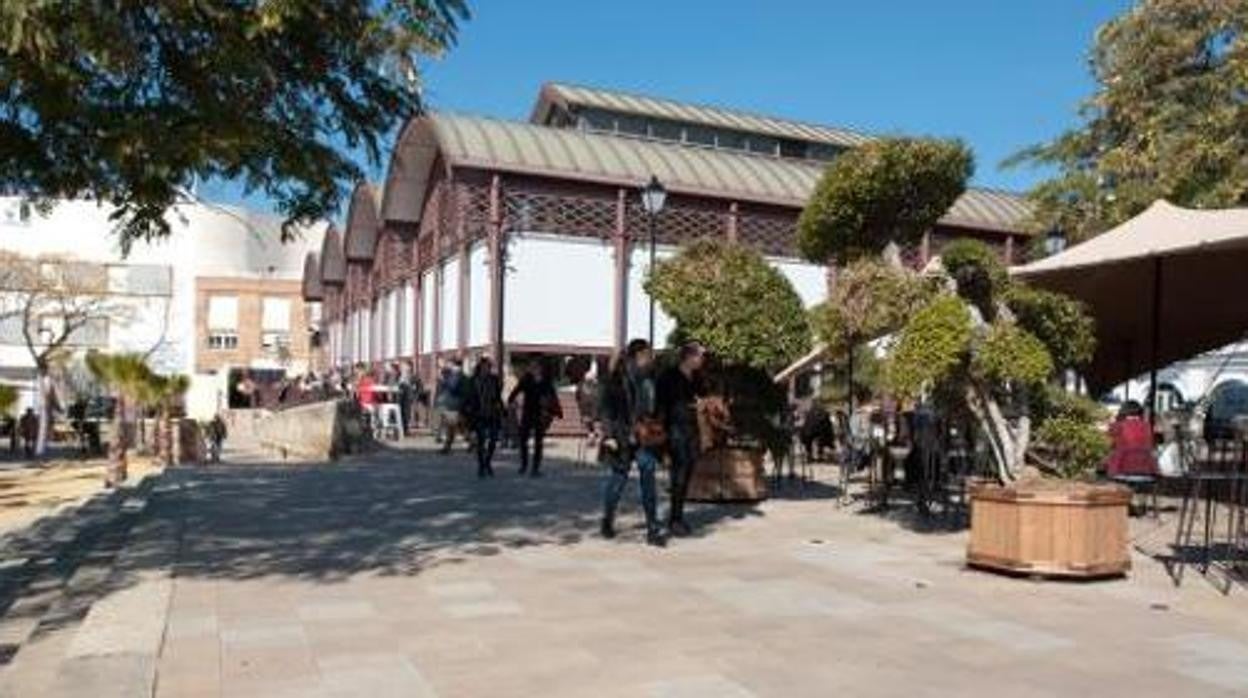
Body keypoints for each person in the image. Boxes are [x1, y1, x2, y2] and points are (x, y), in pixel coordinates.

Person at [599, 339, 665, 546]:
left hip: (644, 436)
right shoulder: (617, 379)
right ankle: (607, 519)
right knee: (618, 481)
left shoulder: (651, 378)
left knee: (648, 478)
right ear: (639, 355)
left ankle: (652, 529)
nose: (651, 358)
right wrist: (609, 435)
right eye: (649, 354)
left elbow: (655, 406)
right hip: (622, 437)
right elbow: (606, 408)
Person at [655, 341, 705, 536]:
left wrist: (701, 404)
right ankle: (675, 519)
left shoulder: (697, 377)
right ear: (689, 357)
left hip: (692, 431)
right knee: (679, 474)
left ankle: (677, 515)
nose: (702, 360)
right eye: (700, 356)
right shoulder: (669, 376)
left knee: (686, 473)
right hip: (674, 430)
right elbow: (661, 404)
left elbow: (702, 397)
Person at [508, 359, 561, 476]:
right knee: (523, 440)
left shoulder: (546, 380)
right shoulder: (526, 379)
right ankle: (524, 464)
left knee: (538, 442)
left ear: (540, 368)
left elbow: (552, 395)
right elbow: (517, 389)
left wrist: (557, 410)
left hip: (540, 413)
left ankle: (535, 468)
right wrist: (511, 400)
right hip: (528, 412)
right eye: (532, 366)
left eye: (536, 366)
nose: (534, 369)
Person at [465, 357, 504, 478]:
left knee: (493, 440)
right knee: (481, 441)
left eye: (488, 367)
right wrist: (467, 411)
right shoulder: (473, 380)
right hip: (478, 414)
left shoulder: (494, 379)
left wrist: (502, 409)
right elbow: (469, 397)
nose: (487, 369)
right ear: (480, 367)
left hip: (492, 413)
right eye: (484, 366)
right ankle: (482, 466)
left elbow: (498, 396)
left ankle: (487, 462)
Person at [435, 359, 467, 454]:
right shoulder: (458, 375)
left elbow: (453, 387)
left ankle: (447, 447)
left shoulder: (456, 376)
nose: (449, 367)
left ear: (455, 365)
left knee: (452, 426)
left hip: (454, 403)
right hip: (455, 403)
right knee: (459, 426)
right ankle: (473, 442)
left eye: (450, 365)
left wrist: (444, 380)